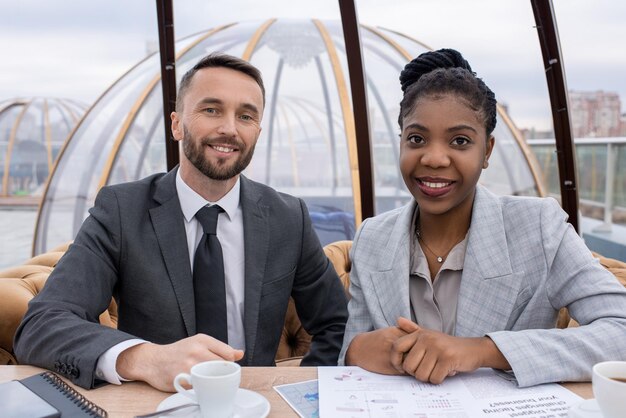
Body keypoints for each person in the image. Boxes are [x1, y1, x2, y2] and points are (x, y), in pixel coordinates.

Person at [14, 53, 348, 391]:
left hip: (256, 404)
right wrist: (145, 358)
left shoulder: (288, 217)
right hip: (152, 404)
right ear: (177, 124)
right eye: (211, 110)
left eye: (245, 116)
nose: (229, 129)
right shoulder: (121, 210)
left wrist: (300, 392)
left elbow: (339, 325)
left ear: (257, 132)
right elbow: (41, 324)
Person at [339, 48, 626, 388]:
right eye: (416, 139)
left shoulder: (539, 227)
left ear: (486, 151)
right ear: (401, 141)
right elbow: (347, 359)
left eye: (459, 141)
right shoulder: (372, 237)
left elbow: (620, 330)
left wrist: (483, 350)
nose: (433, 158)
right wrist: (357, 349)